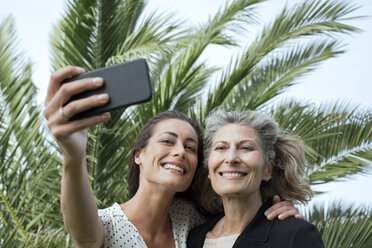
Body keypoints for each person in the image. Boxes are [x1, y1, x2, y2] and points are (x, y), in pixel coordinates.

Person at [43, 66, 302, 248]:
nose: (179, 151)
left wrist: (275, 210)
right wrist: (73, 157)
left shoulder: (193, 223)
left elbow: (241, 212)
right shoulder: (107, 224)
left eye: (191, 148)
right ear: (139, 155)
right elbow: (84, 235)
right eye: (167, 141)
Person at [188, 110, 325, 248]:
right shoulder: (192, 238)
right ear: (209, 170)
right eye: (221, 147)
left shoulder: (294, 235)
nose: (231, 158)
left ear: (268, 170)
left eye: (246, 148)